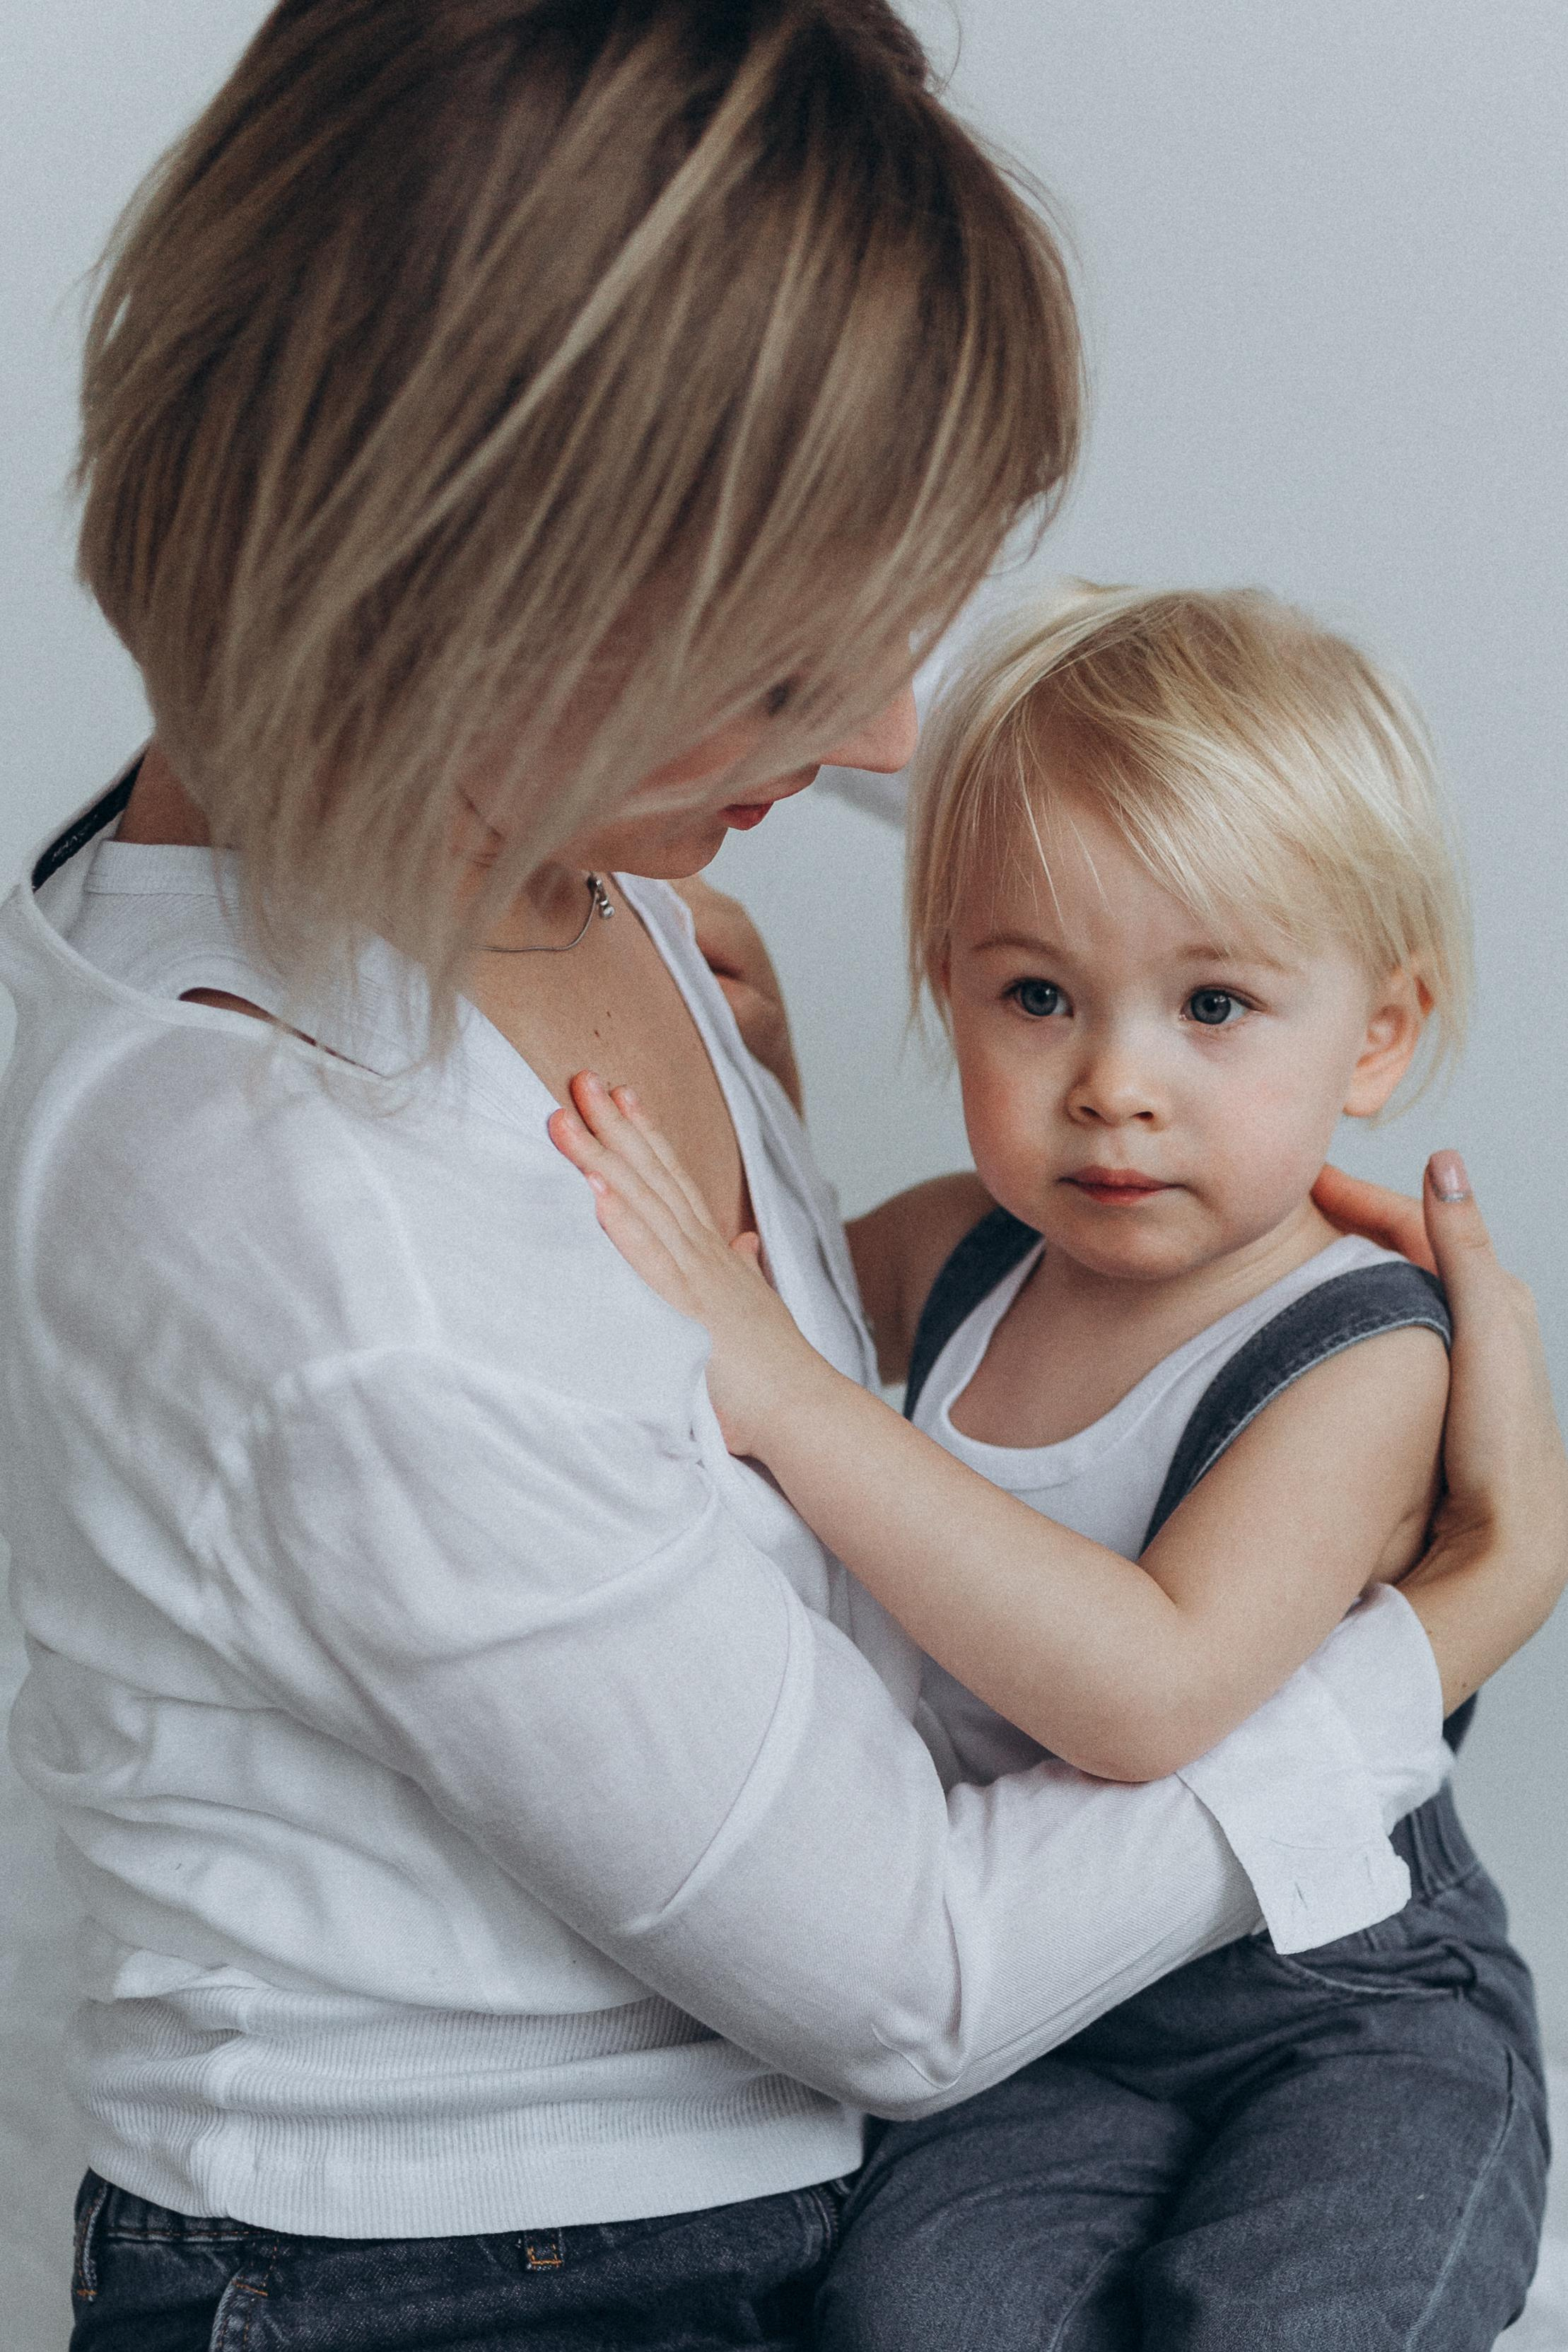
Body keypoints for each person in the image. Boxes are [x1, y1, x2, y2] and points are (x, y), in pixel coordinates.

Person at [1, 6, 1561, 2347]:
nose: (877, 739)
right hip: (503, 2279)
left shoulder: (494, 824)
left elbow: (1112, 812)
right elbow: (913, 1973)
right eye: (774, 680)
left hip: (827, 2147)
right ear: (457, 603)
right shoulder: (326, 1237)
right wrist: (1449, 1615)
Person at [554, 582, 1552, 2344]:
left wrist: (789, 1391)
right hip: (1050, 2018)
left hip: (1341, 2006)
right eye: (1034, 993)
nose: (1110, 1081)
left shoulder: (1363, 1349)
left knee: (1306, 2311)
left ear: (1377, 1034)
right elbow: (755, 1292)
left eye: (1212, 1003)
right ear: (946, 988)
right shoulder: (962, 1248)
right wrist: (740, 1074)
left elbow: (1146, 1691)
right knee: (914, 2309)